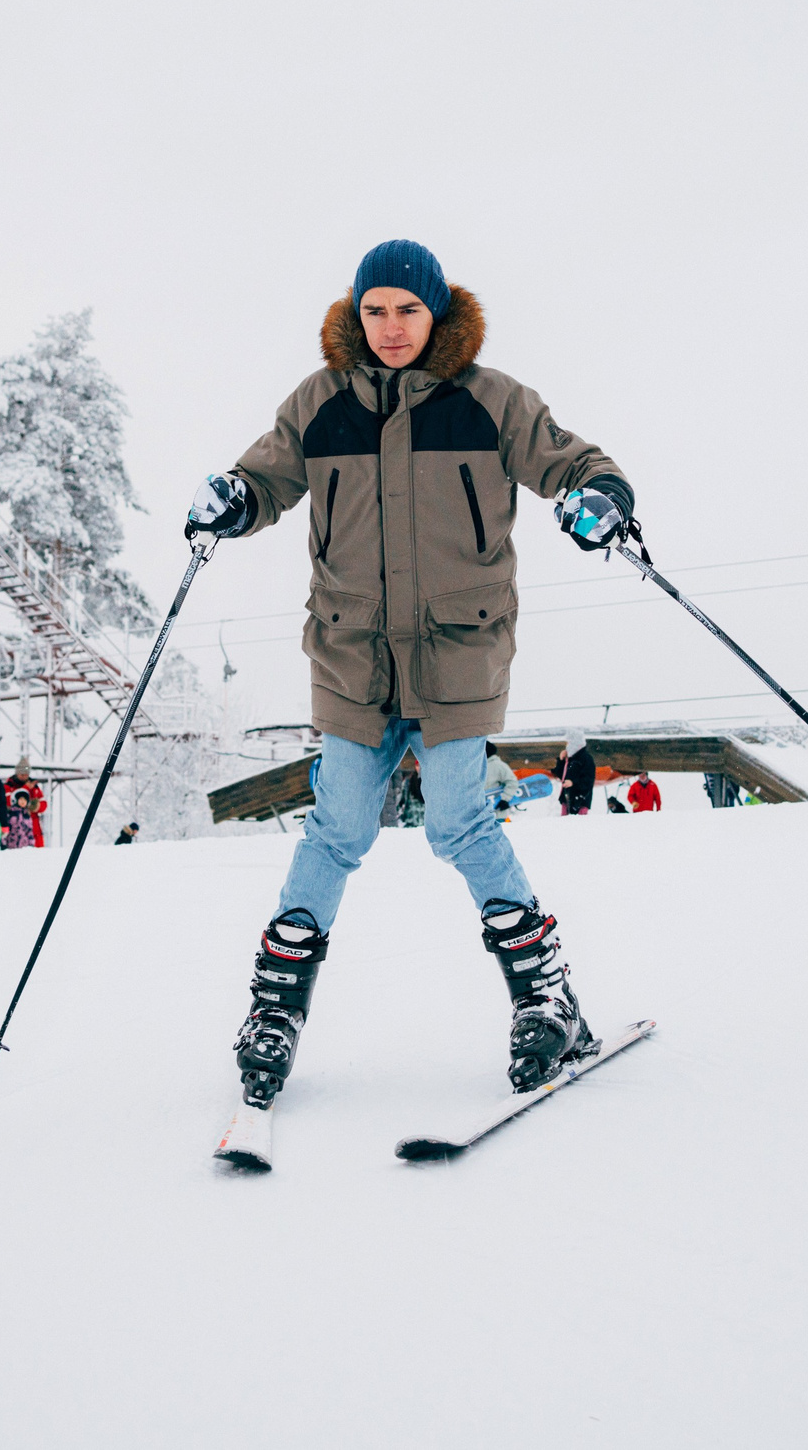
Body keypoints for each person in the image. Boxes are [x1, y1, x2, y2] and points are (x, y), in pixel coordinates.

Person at [186, 237, 636, 1104]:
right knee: (340, 826)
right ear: (357, 315)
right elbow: (265, 478)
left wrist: (601, 498)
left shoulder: (490, 400)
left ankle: (546, 998)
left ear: (438, 313)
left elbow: (573, 462)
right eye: (375, 310)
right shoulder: (319, 405)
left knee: (461, 821)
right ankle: (275, 1009)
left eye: (408, 310)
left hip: (456, 649)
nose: (391, 328)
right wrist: (233, 501)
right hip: (352, 654)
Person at [3, 760, 48, 849]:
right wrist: (26, 788)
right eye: (22, 774)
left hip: (34, 827)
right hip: (16, 830)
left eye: (26, 774)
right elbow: (9, 803)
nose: (24, 777)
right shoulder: (9, 786)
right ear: (17, 773)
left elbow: (44, 805)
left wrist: (36, 806)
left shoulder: (34, 787)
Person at [553, 732, 597, 815]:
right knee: (564, 824)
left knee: (578, 824)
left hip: (580, 799)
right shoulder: (570, 758)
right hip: (567, 797)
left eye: (569, 742)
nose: (567, 745)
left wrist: (573, 783)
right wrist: (561, 761)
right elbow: (560, 774)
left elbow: (588, 780)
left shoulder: (586, 758)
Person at [481, 741, 523, 819]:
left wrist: (505, 799)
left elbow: (512, 782)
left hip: (498, 814)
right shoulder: (480, 767)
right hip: (483, 815)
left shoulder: (499, 765)